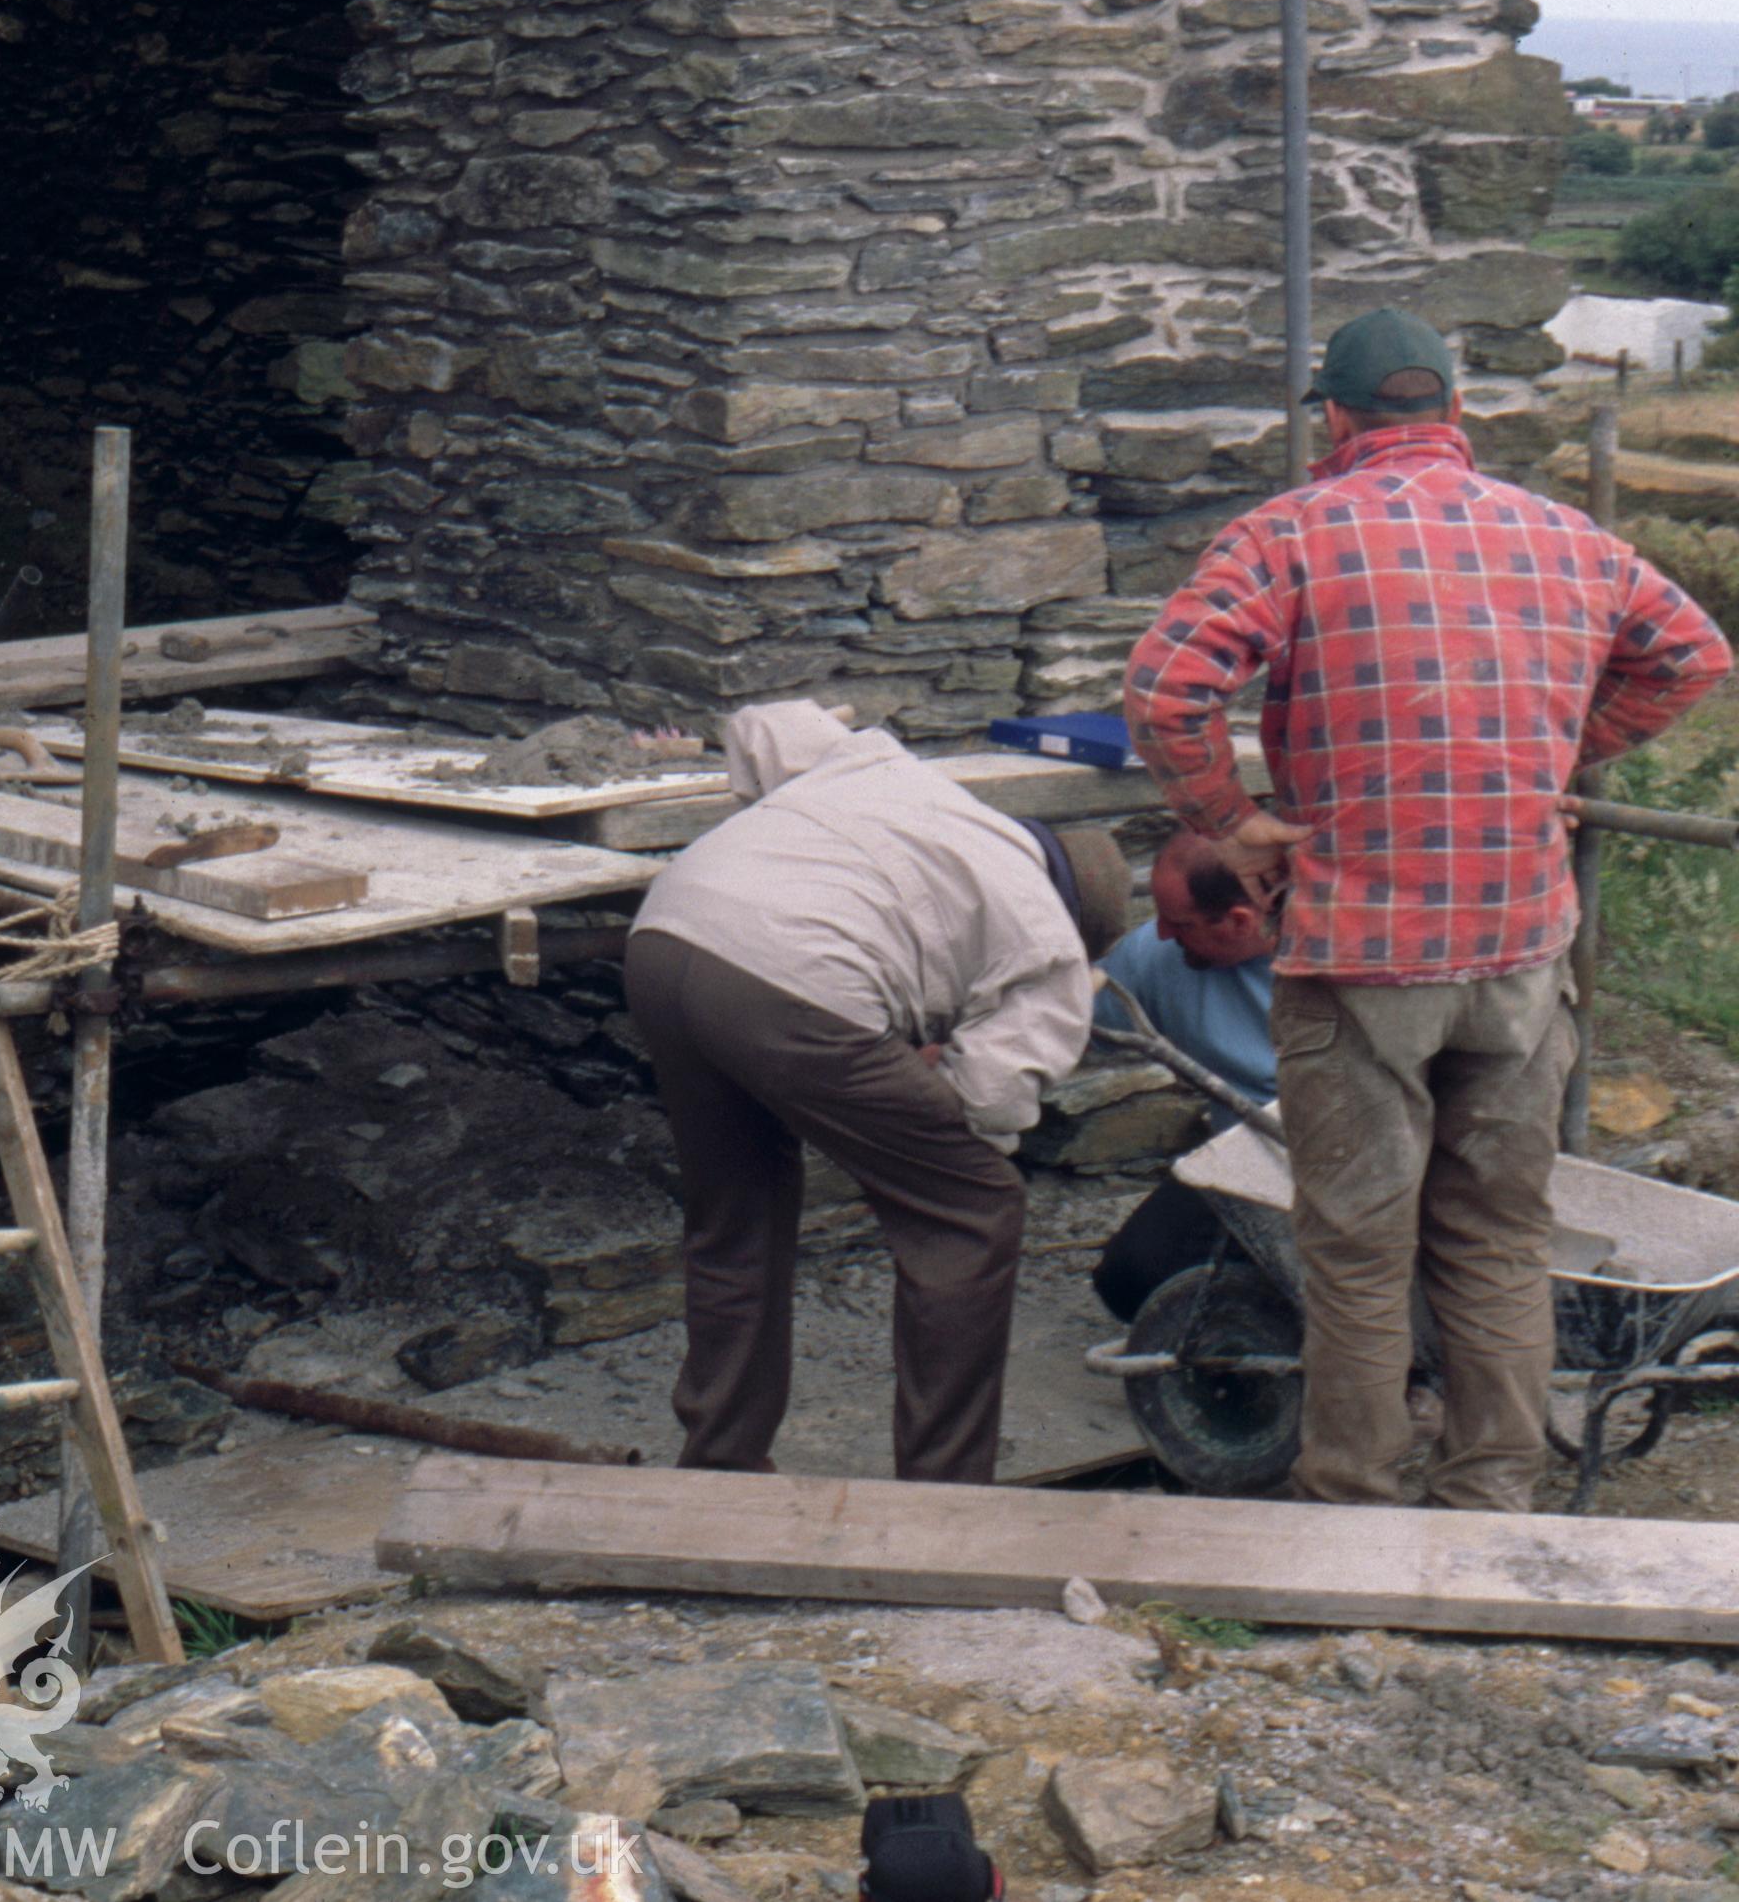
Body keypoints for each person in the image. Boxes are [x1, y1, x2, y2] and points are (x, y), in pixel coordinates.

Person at [1123, 307, 1732, 1511]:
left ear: (1338, 421)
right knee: (1501, 1235)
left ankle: (1356, 1496)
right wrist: (1561, 762)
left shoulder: (1291, 532)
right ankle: (1491, 1493)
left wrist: (1232, 817)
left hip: (1362, 956)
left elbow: (1163, 686)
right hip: (1515, 951)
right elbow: (1693, 656)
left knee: (1356, 1245)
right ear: (1455, 412)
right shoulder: (1568, 537)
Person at [624, 700, 1132, 1482]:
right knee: (970, 1207)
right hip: (794, 981)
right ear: (1073, 913)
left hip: (666, 934)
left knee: (738, 1218)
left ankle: (720, 1462)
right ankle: (944, 1496)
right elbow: (991, 1107)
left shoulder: (890, 773)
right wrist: (935, 1084)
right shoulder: (1048, 934)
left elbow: (768, 725)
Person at [1089, 831, 1279, 1327]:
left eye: (1180, 923)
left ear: (1240, 921)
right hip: (1251, 1154)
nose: (1164, 934)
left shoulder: (1354, 954)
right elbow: (1072, 1022)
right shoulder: (1158, 953)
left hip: (1364, 1149)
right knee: (1133, 1280)